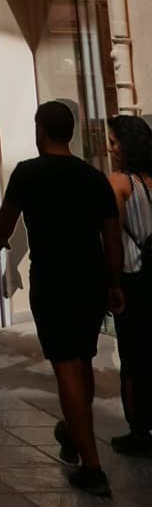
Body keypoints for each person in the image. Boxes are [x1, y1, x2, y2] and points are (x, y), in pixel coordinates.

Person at [0, 100, 124, 496]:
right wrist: (114, 282)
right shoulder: (93, 177)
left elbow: (7, 218)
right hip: (91, 278)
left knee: (65, 366)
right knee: (81, 360)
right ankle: (72, 428)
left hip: (53, 279)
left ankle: (93, 466)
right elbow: (111, 234)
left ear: (40, 130)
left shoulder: (28, 174)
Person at [108, 113, 152, 455]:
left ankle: (139, 428)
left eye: (114, 142)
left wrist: (112, 283)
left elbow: (111, 234)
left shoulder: (120, 184)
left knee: (134, 356)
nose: (111, 148)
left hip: (134, 279)